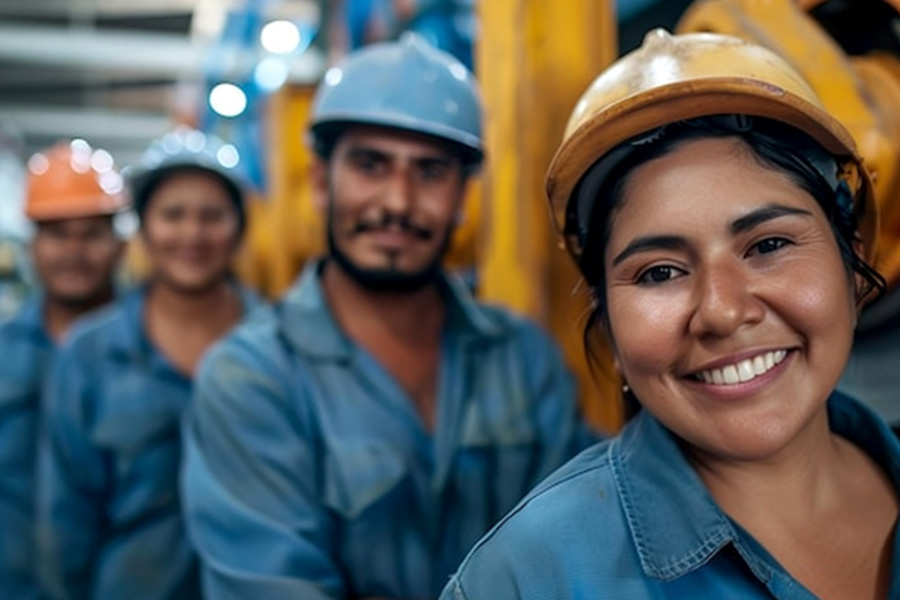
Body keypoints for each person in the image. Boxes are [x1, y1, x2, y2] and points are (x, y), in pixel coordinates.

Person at [441, 29, 900, 600]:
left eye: (768, 245)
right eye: (660, 272)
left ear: (852, 259)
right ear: (606, 316)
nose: (723, 311)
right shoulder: (527, 579)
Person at [182, 33, 596, 600]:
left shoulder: (524, 361)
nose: (398, 202)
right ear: (322, 183)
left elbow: (581, 552)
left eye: (429, 172)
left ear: (462, 197)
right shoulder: (250, 379)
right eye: (371, 166)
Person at [36, 127, 258, 600]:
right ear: (142, 227)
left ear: (238, 226)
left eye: (212, 216)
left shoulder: (281, 345)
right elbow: (65, 520)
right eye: (172, 215)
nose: (192, 234)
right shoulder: (89, 354)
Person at [0, 140, 126, 600]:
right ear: (33, 244)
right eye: (57, 233)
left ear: (120, 244)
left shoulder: (152, 355)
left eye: (91, 234)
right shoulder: (4, 353)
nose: (74, 252)